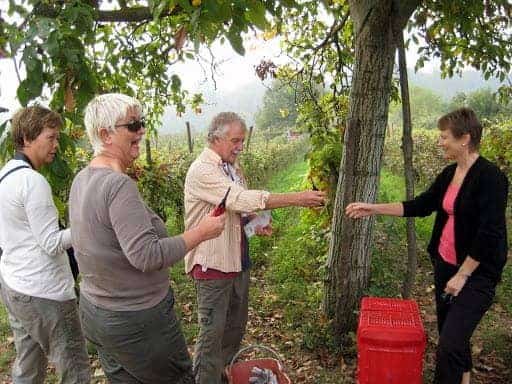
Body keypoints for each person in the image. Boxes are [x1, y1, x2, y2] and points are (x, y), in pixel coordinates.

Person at [68, 93, 226, 384]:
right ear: (105, 134)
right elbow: (147, 256)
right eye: (132, 125)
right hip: (137, 322)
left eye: (142, 122)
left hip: (97, 314)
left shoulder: (82, 179)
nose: (141, 130)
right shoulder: (118, 185)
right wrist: (202, 232)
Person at [346, 107, 508, 384]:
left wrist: (463, 274)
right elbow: (421, 205)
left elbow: (489, 234)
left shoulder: (491, 178)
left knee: (450, 343)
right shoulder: (450, 174)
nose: (440, 141)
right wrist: (373, 208)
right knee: (452, 335)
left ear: (465, 138)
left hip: (476, 273)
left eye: (445, 137)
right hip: (446, 265)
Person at [184, 112, 326, 384]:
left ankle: (223, 377)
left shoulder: (232, 168)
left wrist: (253, 223)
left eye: (242, 140)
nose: (240, 146)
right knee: (211, 337)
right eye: (235, 140)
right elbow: (237, 198)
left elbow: (236, 208)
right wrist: (296, 198)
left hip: (238, 261)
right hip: (213, 266)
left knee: (234, 331)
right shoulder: (202, 170)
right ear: (216, 138)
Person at [0, 106, 90, 383]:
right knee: (75, 369)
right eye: (50, 137)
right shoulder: (32, 181)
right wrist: (89, 226)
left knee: (28, 366)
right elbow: (51, 243)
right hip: (45, 293)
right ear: (27, 138)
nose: (56, 145)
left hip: (16, 286)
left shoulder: (6, 174)